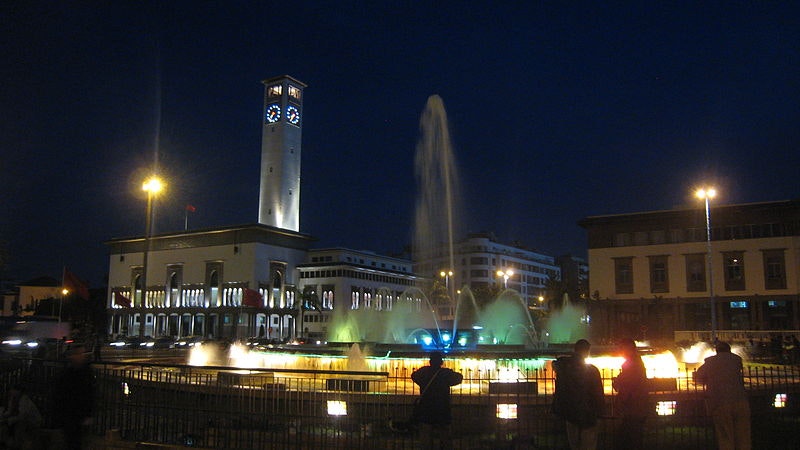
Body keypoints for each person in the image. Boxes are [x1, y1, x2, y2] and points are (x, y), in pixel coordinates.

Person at [694, 341, 751, 450]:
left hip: (721, 402)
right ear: (729, 350)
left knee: (725, 435)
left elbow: (698, 378)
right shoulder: (736, 359)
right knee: (743, 435)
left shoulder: (710, 361)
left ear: (717, 351)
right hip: (740, 400)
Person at [552, 339, 604, 450]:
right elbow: (598, 394)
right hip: (589, 414)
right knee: (588, 445)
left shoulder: (565, 368)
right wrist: (600, 413)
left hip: (570, 413)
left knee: (574, 445)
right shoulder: (592, 371)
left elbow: (555, 364)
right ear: (587, 352)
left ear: (575, 350)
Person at [410, 351, 463, 449]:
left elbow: (413, 376)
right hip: (442, 407)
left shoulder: (424, 372)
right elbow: (459, 378)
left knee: (426, 435)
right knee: (444, 434)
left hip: (426, 408)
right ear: (441, 362)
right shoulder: (445, 374)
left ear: (430, 361)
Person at [50, 344, 95, 450]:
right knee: (73, 441)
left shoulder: (74, 373)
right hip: (71, 414)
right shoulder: (77, 373)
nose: (80, 356)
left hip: (75, 414)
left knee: (74, 441)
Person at [612, 339, 650, 450]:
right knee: (633, 439)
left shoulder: (631, 365)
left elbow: (627, 387)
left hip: (632, 408)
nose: (620, 350)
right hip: (638, 407)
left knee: (626, 440)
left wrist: (620, 404)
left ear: (628, 349)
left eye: (622, 348)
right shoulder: (637, 363)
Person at [0, 384, 43, 449]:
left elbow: (22, 416)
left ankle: (17, 444)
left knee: (19, 425)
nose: (11, 392)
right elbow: (9, 412)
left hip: (32, 422)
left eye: (13, 390)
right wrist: (3, 416)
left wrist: (9, 420)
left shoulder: (24, 400)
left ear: (18, 391)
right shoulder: (13, 399)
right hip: (19, 420)